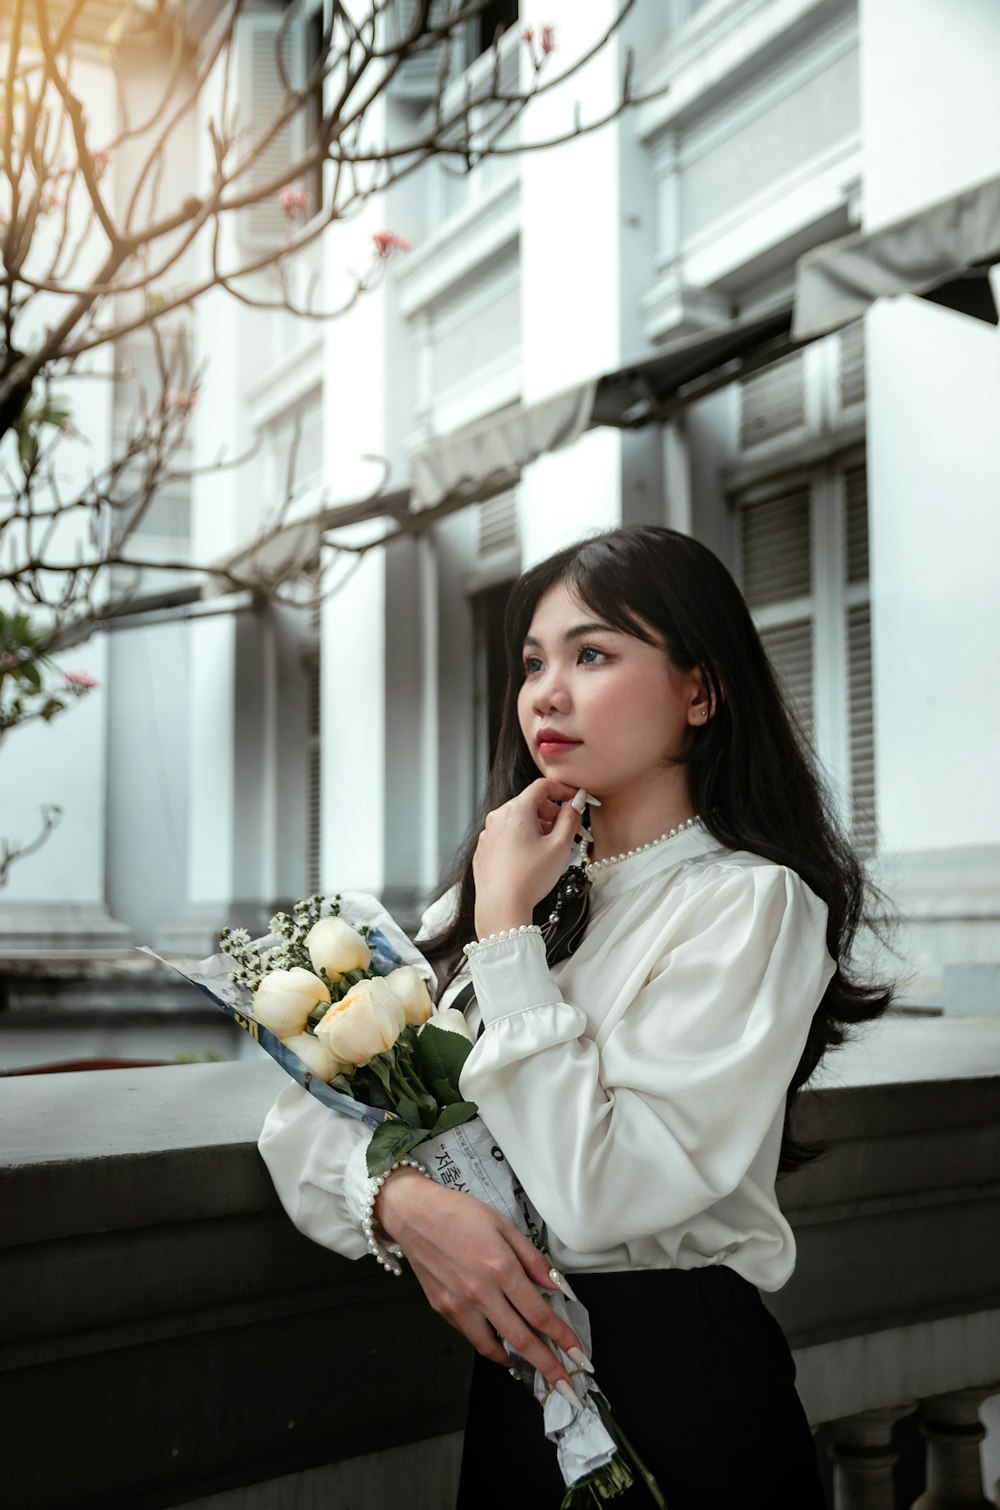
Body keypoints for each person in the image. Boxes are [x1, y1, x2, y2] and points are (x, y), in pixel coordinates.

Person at [259, 524, 892, 1507]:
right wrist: (404, 1208)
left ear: (699, 688)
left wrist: (506, 933)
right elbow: (305, 1121)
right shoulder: (515, 887)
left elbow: (599, 1193)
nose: (544, 692)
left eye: (592, 653)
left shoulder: (748, 902)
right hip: (515, 1384)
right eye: (531, 663)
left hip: (680, 1390)